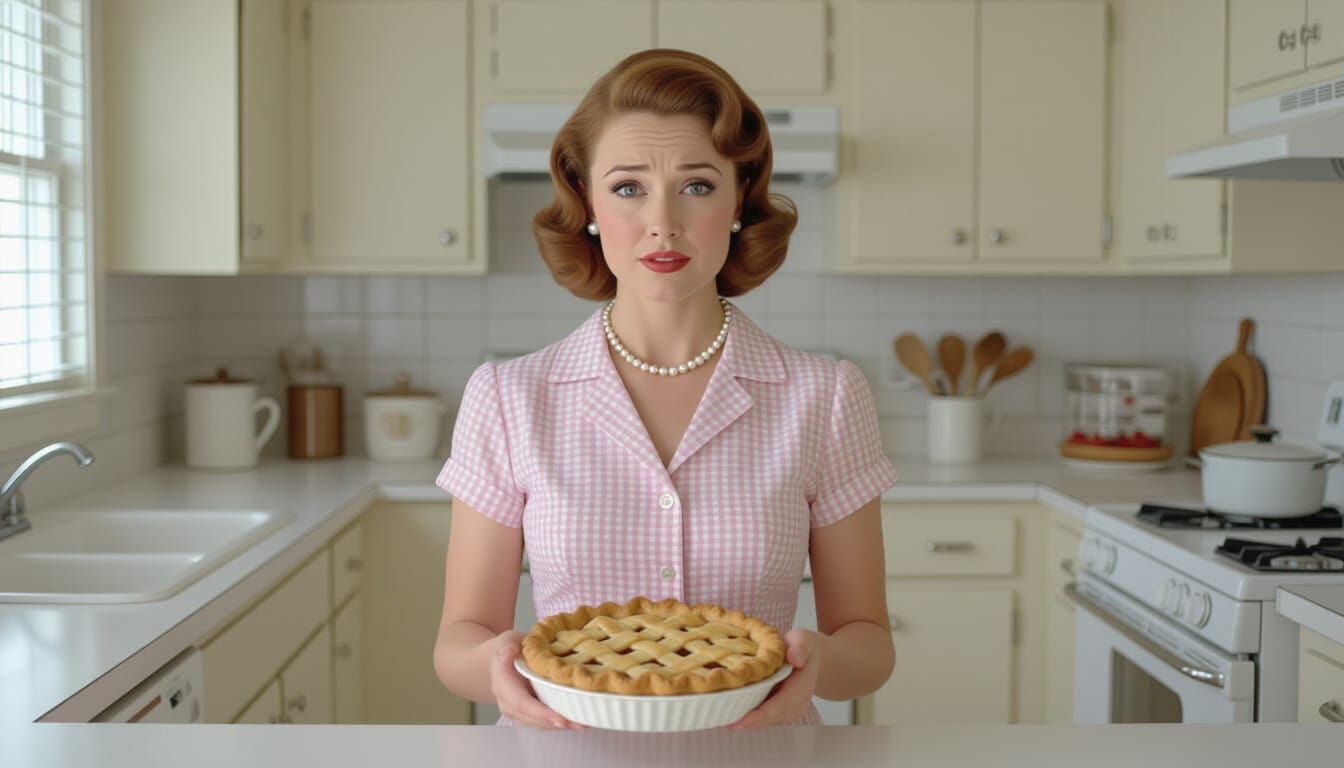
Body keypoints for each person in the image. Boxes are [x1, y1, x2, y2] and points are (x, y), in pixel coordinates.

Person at [433, 48, 897, 730]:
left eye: (698, 185)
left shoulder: (824, 396)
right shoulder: (508, 396)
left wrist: (819, 661)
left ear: (740, 199)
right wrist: (498, 667)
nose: (663, 222)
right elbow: (459, 639)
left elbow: (868, 640)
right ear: (586, 202)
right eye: (627, 187)